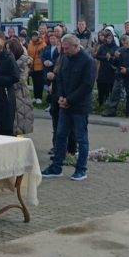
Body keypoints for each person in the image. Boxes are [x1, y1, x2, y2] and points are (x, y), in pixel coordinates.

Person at [42, 34, 96, 181]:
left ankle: (81, 169)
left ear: (75, 46)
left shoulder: (87, 61)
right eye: (63, 48)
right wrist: (60, 97)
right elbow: (59, 79)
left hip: (79, 106)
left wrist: (69, 99)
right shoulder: (65, 58)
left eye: (66, 48)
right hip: (64, 105)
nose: (64, 51)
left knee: (81, 138)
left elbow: (87, 85)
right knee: (60, 136)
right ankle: (56, 167)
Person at [102, 34, 129, 117]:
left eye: (127, 43)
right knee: (115, 93)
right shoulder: (120, 50)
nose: (125, 44)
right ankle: (111, 111)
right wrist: (112, 58)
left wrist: (127, 70)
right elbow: (115, 64)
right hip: (120, 75)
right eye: (124, 43)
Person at [10, 38, 34, 135]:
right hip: (12, 94)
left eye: (9, 49)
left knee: (20, 121)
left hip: (20, 94)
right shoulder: (12, 60)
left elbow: (21, 79)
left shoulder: (23, 62)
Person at [93, 27, 119, 109]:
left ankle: (110, 106)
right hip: (103, 70)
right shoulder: (102, 47)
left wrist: (111, 57)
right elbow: (97, 56)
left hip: (111, 71)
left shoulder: (116, 47)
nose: (108, 40)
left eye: (110, 38)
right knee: (101, 88)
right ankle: (101, 105)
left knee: (110, 89)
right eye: (107, 38)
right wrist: (105, 57)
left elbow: (117, 59)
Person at [26, 32, 47, 106]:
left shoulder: (43, 44)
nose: (34, 37)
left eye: (35, 36)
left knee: (40, 82)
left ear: (38, 37)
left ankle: (39, 97)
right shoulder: (30, 44)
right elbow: (28, 54)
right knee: (34, 82)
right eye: (33, 36)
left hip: (40, 66)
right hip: (32, 66)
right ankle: (35, 97)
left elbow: (43, 55)